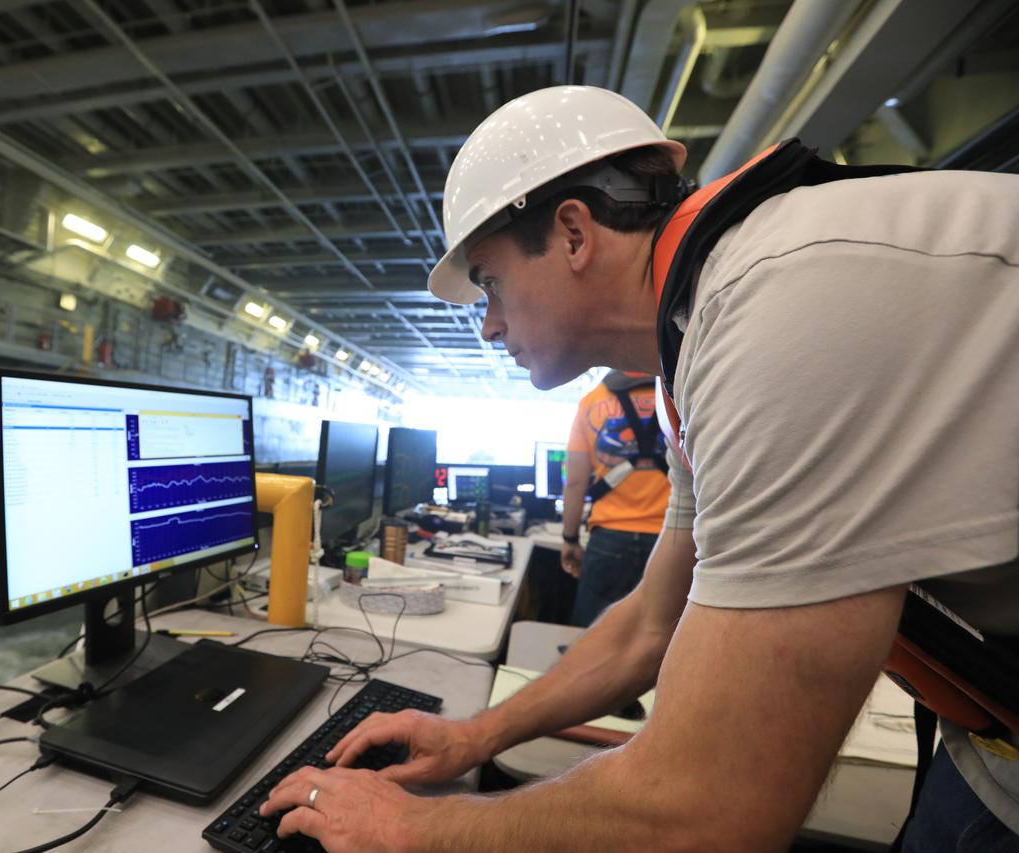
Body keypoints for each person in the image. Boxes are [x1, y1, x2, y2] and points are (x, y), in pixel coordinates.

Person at [260, 86, 1019, 851]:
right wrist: (473, 737)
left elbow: (710, 807)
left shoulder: (779, 311)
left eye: (488, 281)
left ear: (574, 234)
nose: (487, 324)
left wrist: (418, 827)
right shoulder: (694, 353)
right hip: (990, 751)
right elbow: (650, 624)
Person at [561, 370, 670, 628]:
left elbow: (575, 483)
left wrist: (570, 539)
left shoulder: (590, 402)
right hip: (670, 538)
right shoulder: (677, 394)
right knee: (663, 641)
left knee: (593, 636)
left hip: (608, 539)